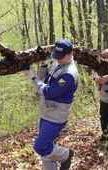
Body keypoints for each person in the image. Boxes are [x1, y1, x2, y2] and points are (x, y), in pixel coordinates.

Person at [22, 39, 79, 170]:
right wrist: (43, 66)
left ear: (70, 54)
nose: (58, 59)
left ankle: (66, 155)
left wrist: (32, 77)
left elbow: (48, 92)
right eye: (56, 56)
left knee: (41, 147)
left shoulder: (69, 74)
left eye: (61, 57)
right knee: (47, 149)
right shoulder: (57, 63)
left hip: (56, 116)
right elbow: (44, 81)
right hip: (46, 112)